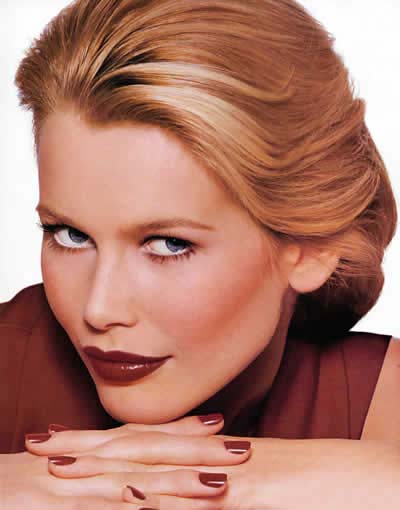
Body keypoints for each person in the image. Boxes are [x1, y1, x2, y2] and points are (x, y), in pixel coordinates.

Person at [1, 0, 399, 508]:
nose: (99, 309)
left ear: (309, 248)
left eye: (169, 245)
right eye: (70, 235)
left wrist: (268, 480)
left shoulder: (377, 400)